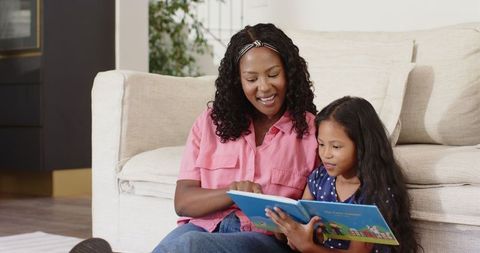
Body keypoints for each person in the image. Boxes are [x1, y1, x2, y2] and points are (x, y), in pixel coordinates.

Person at [152, 23, 319, 253]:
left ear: (289, 73)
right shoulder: (211, 122)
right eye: (251, 79)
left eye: (273, 74)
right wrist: (234, 194)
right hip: (204, 227)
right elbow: (183, 202)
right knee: (175, 245)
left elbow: (319, 210)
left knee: (189, 246)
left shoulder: (312, 132)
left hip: (265, 240)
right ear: (238, 82)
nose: (264, 87)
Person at [266, 96, 422, 253]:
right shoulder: (319, 178)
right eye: (321, 144)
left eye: (336, 146)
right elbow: (303, 221)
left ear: (362, 145)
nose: (326, 154)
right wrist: (287, 230)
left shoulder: (375, 192)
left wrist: (307, 246)